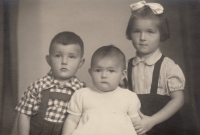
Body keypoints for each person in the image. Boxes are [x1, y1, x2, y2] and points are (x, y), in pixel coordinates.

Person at [125, 1, 185, 135]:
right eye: (136, 31)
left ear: (161, 34)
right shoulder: (125, 67)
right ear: (130, 33)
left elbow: (178, 100)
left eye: (150, 32)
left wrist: (152, 121)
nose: (142, 38)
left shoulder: (169, 67)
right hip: (137, 128)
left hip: (165, 127)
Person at [15, 31, 87, 135]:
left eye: (71, 57)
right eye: (58, 56)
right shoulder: (37, 86)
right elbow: (24, 115)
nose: (64, 62)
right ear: (49, 60)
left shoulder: (82, 91)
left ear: (80, 63)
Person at [62, 45, 142, 135]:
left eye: (111, 71)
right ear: (91, 72)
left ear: (123, 75)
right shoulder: (82, 94)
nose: (104, 75)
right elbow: (72, 120)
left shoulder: (129, 97)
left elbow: (137, 124)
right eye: (98, 70)